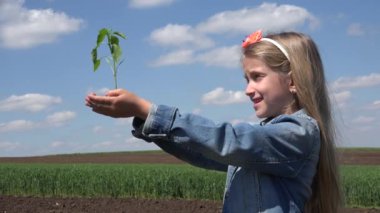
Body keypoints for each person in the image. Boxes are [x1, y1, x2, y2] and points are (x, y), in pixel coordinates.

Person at [85, 30, 342, 213]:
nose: (248, 89)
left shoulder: (297, 134)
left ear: (293, 81)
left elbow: (227, 141)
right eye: (246, 79)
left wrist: (147, 108)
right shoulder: (265, 139)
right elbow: (207, 151)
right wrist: (145, 117)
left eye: (257, 76)